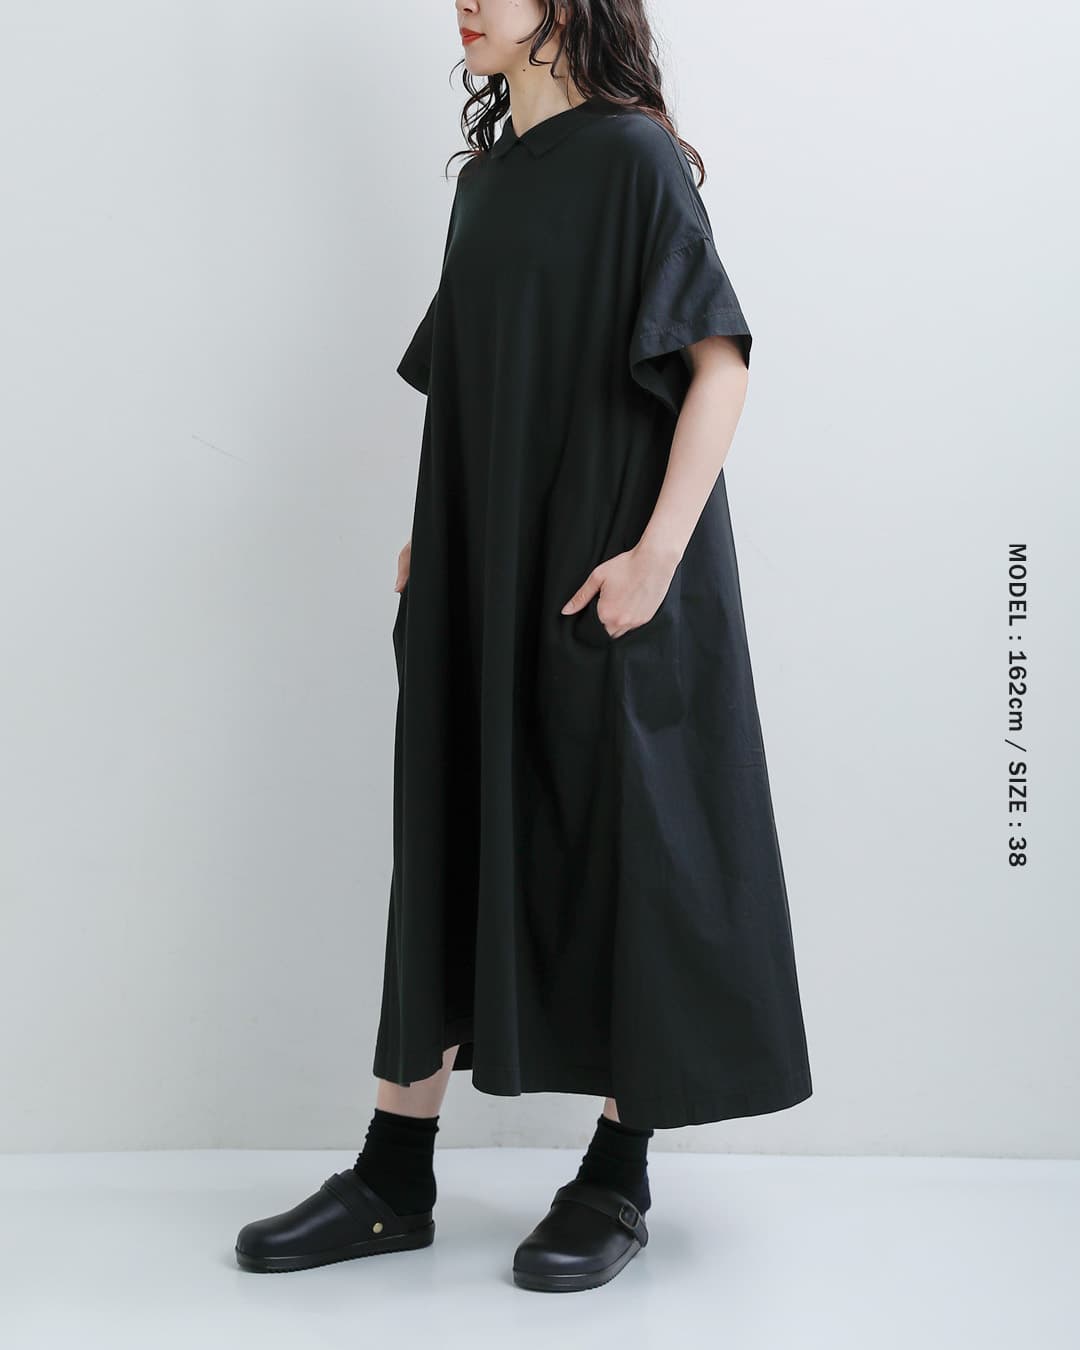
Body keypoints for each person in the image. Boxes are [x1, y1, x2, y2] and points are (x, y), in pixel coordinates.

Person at [235, 0, 812, 1293]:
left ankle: (617, 1173)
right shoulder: (486, 185)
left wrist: (655, 558)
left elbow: (718, 364)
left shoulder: (634, 158)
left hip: (609, 569)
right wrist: (429, 533)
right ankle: (393, 1173)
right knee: (448, 829)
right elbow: (481, 378)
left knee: (629, 849)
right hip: (483, 567)